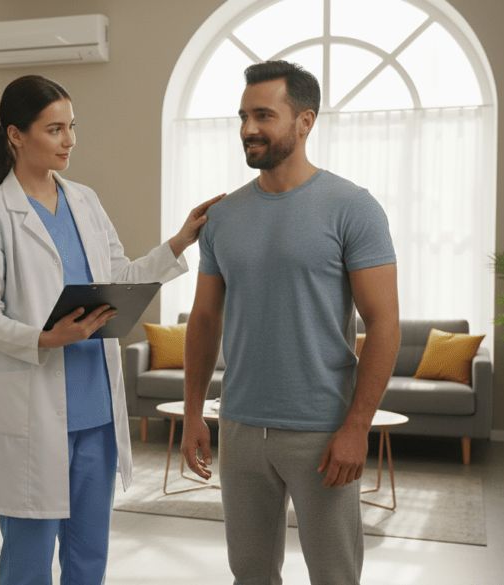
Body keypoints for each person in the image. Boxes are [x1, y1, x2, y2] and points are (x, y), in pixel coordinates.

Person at [0, 74, 222, 585]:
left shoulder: (84, 200)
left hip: (97, 416)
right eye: (55, 128)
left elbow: (118, 277)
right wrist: (46, 338)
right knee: (29, 565)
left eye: (72, 127)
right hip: (34, 414)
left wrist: (178, 242)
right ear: (16, 135)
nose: (69, 140)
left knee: (88, 559)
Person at [180, 61, 401, 585]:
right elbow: (205, 319)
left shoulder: (353, 208)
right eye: (242, 116)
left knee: (334, 574)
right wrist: (193, 414)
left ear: (305, 121)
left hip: (322, 429)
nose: (248, 129)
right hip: (239, 425)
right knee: (250, 574)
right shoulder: (223, 216)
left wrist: (356, 426)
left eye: (263, 115)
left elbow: (384, 322)